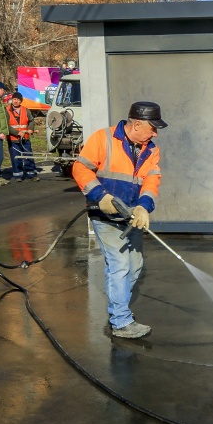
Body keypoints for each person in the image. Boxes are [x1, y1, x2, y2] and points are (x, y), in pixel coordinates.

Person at [72, 101, 167, 339]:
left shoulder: (151, 149)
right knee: (120, 265)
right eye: (152, 128)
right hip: (104, 216)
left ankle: (119, 307)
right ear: (137, 124)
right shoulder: (103, 139)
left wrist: (144, 208)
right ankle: (121, 321)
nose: (155, 133)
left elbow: (152, 180)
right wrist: (100, 196)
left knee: (134, 267)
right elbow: (80, 169)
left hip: (130, 217)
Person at [6, 92, 39, 181]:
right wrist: (17, 133)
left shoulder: (25, 110)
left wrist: (31, 129)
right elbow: (6, 125)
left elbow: (31, 121)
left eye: (18, 100)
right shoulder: (6, 110)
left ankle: (32, 174)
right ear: (12, 100)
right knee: (16, 157)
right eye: (14, 99)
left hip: (25, 138)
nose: (15, 101)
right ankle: (18, 175)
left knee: (28, 155)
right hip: (13, 139)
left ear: (21, 101)